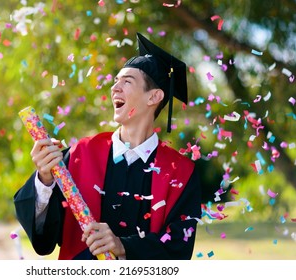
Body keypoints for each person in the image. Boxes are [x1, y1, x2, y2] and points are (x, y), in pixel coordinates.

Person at [13, 33, 202, 260]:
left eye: (127, 81)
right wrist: (44, 179)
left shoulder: (180, 172)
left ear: (154, 97)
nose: (115, 88)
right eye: (115, 81)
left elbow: (178, 248)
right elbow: (44, 238)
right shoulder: (80, 155)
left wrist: (123, 246)